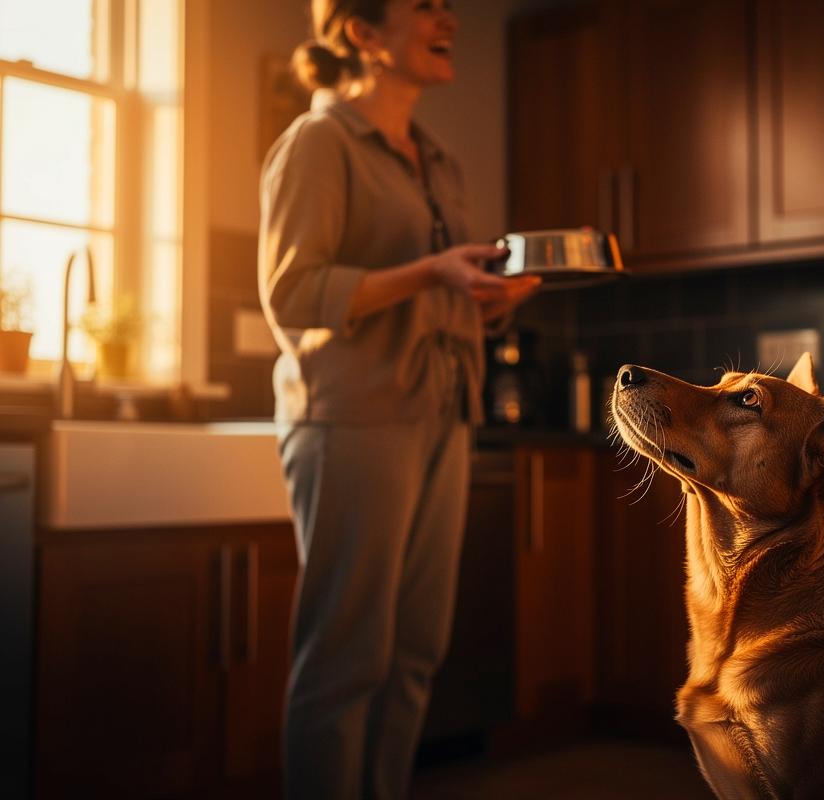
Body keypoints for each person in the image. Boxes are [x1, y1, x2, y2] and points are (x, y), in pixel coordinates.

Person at [257, 1, 540, 797]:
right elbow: (291, 292)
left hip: (444, 412)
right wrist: (433, 273)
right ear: (362, 32)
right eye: (426, 6)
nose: (448, 18)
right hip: (354, 419)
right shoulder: (318, 143)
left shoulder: (438, 159)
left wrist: (488, 297)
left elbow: (435, 290)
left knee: (414, 652)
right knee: (347, 659)